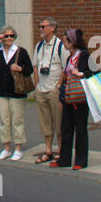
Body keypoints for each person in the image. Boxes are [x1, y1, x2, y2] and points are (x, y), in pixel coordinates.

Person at [0, 24, 32, 161]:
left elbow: (29, 70)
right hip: (1, 91)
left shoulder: (21, 52)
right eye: (6, 36)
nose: (9, 38)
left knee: (17, 120)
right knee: (4, 120)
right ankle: (6, 148)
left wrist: (20, 68)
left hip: (17, 92)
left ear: (14, 37)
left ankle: (18, 148)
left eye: (11, 36)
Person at [50, 28, 94, 170]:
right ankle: (64, 159)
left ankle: (80, 161)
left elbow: (95, 71)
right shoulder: (70, 57)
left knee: (80, 130)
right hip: (68, 97)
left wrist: (80, 73)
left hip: (80, 98)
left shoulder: (84, 55)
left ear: (73, 42)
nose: (63, 44)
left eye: (65, 41)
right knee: (66, 128)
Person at [32, 16, 65, 164]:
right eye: (39, 27)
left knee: (58, 122)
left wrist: (58, 85)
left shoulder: (60, 46)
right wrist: (37, 84)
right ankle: (48, 150)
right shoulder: (39, 46)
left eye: (43, 27)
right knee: (45, 122)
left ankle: (61, 149)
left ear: (52, 28)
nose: (40, 29)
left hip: (54, 90)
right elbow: (35, 65)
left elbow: (66, 67)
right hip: (42, 90)